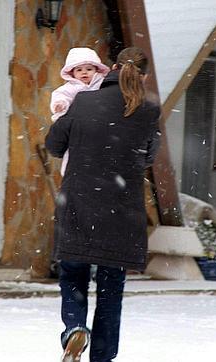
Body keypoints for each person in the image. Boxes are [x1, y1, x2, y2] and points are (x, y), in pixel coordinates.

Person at [45, 47, 161, 362]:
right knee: (111, 289)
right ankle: (102, 356)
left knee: (73, 273)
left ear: (110, 69)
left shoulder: (83, 101)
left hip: (79, 204)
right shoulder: (148, 111)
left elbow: (54, 145)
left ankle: (74, 328)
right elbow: (148, 157)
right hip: (122, 211)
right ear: (145, 76)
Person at [50, 47, 111, 176]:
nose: (84, 73)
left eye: (89, 69)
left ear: (97, 70)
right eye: (79, 70)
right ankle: (69, 171)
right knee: (74, 149)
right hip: (78, 126)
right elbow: (62, 96)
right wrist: (60, 105)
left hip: (100, 124)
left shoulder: (102, 84)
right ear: (72, 73)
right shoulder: (71, 87)